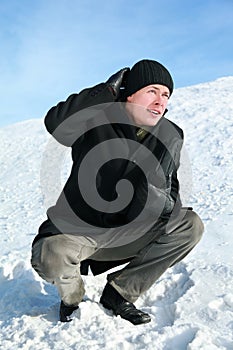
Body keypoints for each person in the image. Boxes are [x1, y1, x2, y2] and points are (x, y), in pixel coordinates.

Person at [31, 59, 204, 325]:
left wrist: (160, 204)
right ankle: (72, 299)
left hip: (127, 232)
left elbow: (172, 188)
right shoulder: (97, 120)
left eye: (166, 94)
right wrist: (106, 92)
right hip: (80, 230)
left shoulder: (170, 136)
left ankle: (120, 293)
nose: (160, 101)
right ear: (129, 93)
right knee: (50, 255)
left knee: (189, 226)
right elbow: (56, 123)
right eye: (152, 91)